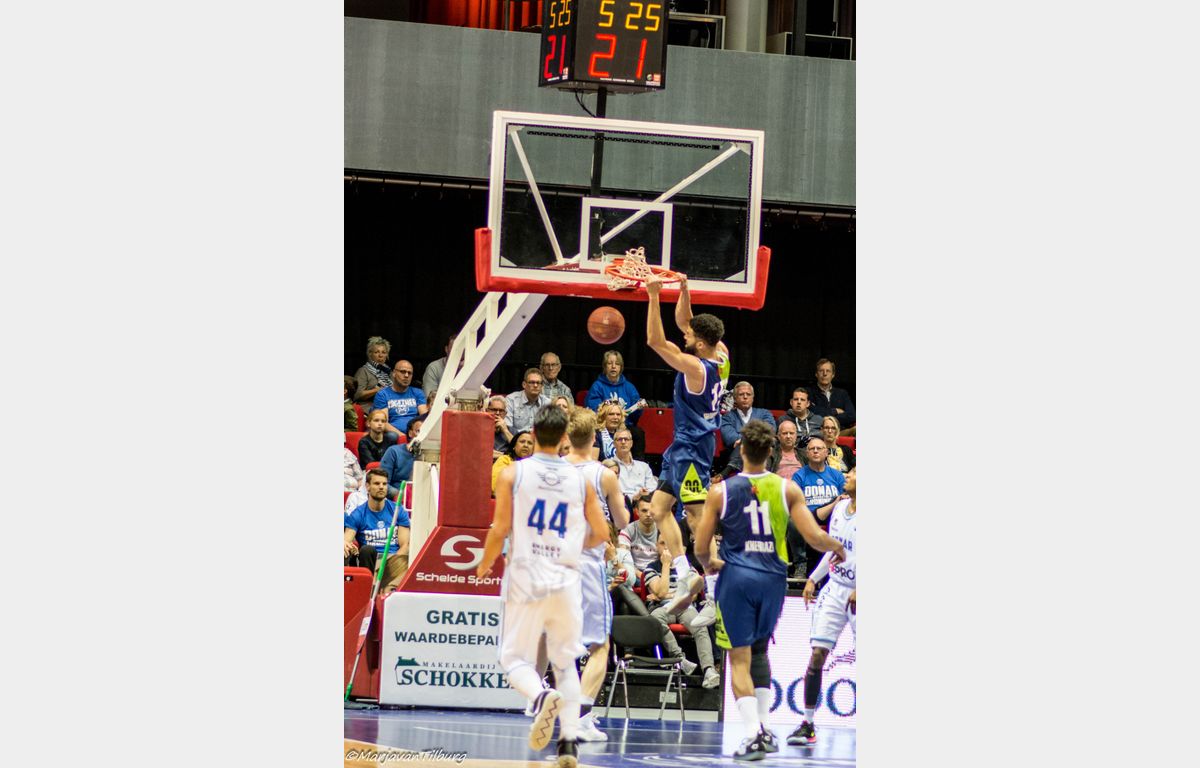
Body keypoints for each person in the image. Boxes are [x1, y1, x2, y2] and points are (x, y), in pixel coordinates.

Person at [691, 420, 846, 761]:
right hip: (774, 579)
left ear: (742, 450)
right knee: (760, 653)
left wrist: (710, 563)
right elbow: (813, 537)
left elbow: (701, 547)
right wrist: (837, 546)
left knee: (739, 658)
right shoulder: (787, 488)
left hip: (738, 576)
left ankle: (753, 734)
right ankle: (764, 729)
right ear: (771, 452)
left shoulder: (721, 491)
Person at [475, 405, 609, 764]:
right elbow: (602, 533)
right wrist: (571, 547)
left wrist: (485, 562)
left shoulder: (513, 473)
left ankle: (539, 697)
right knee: (565, 662)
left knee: (512, 657)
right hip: (566, 577)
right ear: (564, 438)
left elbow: (500, 528)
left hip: (526, 573)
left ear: (532, 433)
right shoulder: (581, 480)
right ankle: (568, 743)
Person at [644, 273, 730, 614]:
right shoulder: (721, 352)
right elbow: (685, 321)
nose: (684, 335)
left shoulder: (696, 368)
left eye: (690, 337)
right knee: (658, 509)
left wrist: (653, 296)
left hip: (692, 448)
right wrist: (684, 290)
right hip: (685, 445)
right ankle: (685, 574)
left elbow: (655, 340)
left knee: (696, 518)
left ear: (701, 344)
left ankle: (714, 590)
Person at [562, 407, 630, 742]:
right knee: (599, 645)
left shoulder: (550, 471)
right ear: (594, 438)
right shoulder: (603, 474)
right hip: (586, 565)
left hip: (552, 565)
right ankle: (581, 718)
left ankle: (546, 698)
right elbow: (622, 520)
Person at [790, 466, 857, 748]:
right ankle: (807, 724)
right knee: (817, 655)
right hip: (836, 588)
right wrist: (814, 579)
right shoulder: (840, 508)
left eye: (853, 473)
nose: (847, 476)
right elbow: (833, 548)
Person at [643, 537, 722, 689]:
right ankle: (680, 659)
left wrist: (669, 595)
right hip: (663, 608)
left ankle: (709, 670)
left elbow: (694, 594)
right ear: (656, 546)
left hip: (685, 607)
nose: (666, 547)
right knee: (655, 620)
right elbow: (661, 592)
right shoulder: (651, 568)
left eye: (669, 543)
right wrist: (666, 565)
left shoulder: (686, 567)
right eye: (662, 543)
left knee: (701, 625)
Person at [344, 468, 412, 596]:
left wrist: (389, 566)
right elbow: (347, 539)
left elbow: (405, 546)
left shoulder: (398, 510)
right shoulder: (358, 514)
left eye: (384, 484)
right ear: (367, 487)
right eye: (376, 483)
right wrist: (345, 544)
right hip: (370, 561)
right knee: (366, 550)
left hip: (394, 561)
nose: (381, 487)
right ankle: (366, 595)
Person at [790, 435, 847, 581]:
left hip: (833, 516)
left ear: (826, 452)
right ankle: (800, 564)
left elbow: (845, 499)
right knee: (792, 520)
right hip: (807, 517)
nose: (815, 451)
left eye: (819, 448)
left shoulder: (837, 475)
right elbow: (795, 503)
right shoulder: (799, 476)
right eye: (812, 449)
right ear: (807, 453)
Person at [585, 350, 648, 457]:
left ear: (621, 367)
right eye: (610, 363)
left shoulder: (629, 387)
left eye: (617, 364)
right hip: (603, 428)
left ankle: (637, 464)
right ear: (605, 367)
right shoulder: (597, 386)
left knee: (638, 433)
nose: (613, 366)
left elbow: (635, 418)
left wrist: (639, 408)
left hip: (624, 426)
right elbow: (593, 410)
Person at [372, 360, 429, 438]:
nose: (406, 375)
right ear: (394, 373)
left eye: (409, 373)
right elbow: (383, 423)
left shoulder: (418, 393)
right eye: (403, 372)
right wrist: (402, 436)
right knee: (391, 436)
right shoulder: (383, 394)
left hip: (415, 434)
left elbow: (425, 417)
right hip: (394, 435)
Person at [719, 381, 777, 455]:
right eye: (741, 394)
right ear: (735, 398)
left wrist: (742, 440)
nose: (745, 397)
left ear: (753, 398)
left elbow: (770, 432)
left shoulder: (765, 414)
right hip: (738, 458)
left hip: (762, 457)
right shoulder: (726, 418)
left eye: (748, 394)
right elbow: (730, 438)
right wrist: (760, 438)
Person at [380, 417, 424, 500]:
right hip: (398, 498)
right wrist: (401, 495)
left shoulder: (430, 456)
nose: (422, 435)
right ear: (410, 433)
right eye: (418, 431)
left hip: (422, 497)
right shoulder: (393, 452)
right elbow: (383, 483)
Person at [808, 358, 856, 432]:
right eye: (821, 371)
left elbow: (852, 416)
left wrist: (824, 416)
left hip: (840, 432)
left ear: (833, 375)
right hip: (818, 432)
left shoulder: (842, 393)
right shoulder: (808, 392)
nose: (825, 374)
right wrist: (834, 411)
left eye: (828, 371)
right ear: (816, 374)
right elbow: (809, 415)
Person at [611, 426, 656, 500]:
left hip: (642, 503)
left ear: (631, 443)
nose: (623, 442)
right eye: (619, 439)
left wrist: (643, 495)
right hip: (620, 504)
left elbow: (652, 489)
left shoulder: (644, 467)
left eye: (626, 439)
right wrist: (634, 498)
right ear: (614, 444)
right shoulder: (609, 467)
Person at [505, 368, 551, 434]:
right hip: (515, 438)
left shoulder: (547, 403)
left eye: (538, 383)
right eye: (532, 382)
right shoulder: (511, 400)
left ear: (542, 386)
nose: (535, 385)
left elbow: (550, 429)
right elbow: (507, 428)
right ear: (524, 384)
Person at [353, 336, 392, 411]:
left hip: (389, 406)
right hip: (369, 407)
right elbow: (356, 395)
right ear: (370, 354)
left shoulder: (388, 371)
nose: (380, 355)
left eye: (384, 352)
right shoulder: (363, 371)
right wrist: (376, 390)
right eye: (376, 352)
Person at [420, 333, 457, 402]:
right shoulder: (434, 368)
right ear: (446, 349)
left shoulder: (469, 366)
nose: (458, 351)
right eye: (454, 348)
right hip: (439, 407)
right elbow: (430, 399)